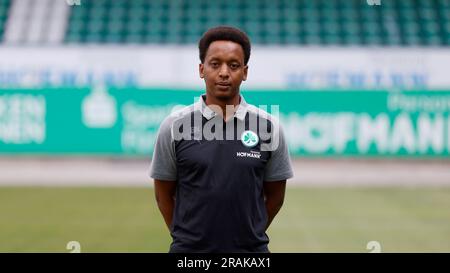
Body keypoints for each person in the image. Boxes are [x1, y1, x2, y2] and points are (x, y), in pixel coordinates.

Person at [150, 26, 293, 253]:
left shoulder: (268, 127)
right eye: (215, 64)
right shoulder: (174, 126)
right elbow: (163, 194)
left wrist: (248, 237)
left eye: (234, 65)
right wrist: (188, 239)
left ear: (245, 72)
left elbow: (276, 197)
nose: (224, 72)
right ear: (201, 69)